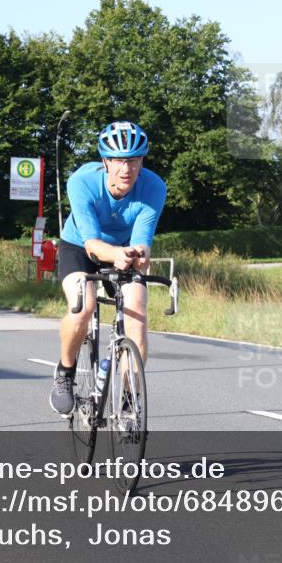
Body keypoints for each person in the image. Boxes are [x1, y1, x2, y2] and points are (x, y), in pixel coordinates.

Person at [50, 121, 167, 416]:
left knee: (137, 311)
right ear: (105, 162)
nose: (125, 168)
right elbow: (91, 243)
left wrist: (139, 255)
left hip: (124, 248)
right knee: (83, 305)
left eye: (134, 159)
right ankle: (65, 373)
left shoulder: (154, 187)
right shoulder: (82, 182)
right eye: (118, 160)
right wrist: (114, 254)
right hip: (80, 246)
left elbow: (143, 242)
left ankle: (129, 403)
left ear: (142, 161)